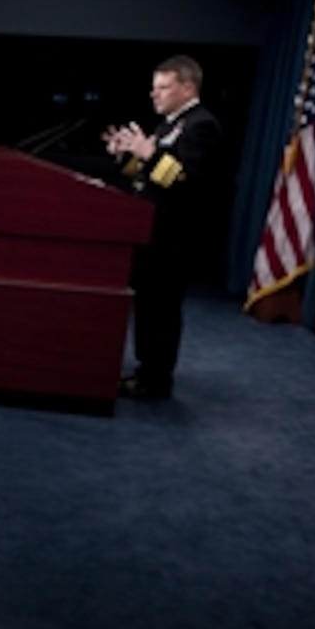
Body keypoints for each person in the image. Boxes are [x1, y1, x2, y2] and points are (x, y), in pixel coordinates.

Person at [102, 54, 223, 400]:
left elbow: (184, 180)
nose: (155, 95)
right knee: (148, 304)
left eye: (164, 88)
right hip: (150, 230)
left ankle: (156, 379)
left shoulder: (201, 126)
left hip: (174, 235)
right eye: (153, 88)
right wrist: (126, 153)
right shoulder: (166, 125)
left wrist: (148, 153)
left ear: (188, 87)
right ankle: (145, 371)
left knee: (162, 308)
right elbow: (147, 177)